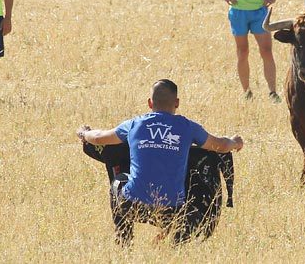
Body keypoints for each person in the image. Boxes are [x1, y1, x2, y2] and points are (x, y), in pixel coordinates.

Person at [76, 79, 244, 245]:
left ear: (150, 103)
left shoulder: (134, 124)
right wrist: (235, 142)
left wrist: (84, 133)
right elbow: (220, 145)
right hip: (173, 211)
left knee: (118, 180)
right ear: (177, 103)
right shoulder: (188, 127)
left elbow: (98, 138)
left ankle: (123, 238)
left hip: (134, 206)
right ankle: (170, 237)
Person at [208, 0, 284, 103]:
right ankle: (246, 92)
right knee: (242, 51)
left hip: (259, 11)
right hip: (238, 12)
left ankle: (273, 92)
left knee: (266, 50)